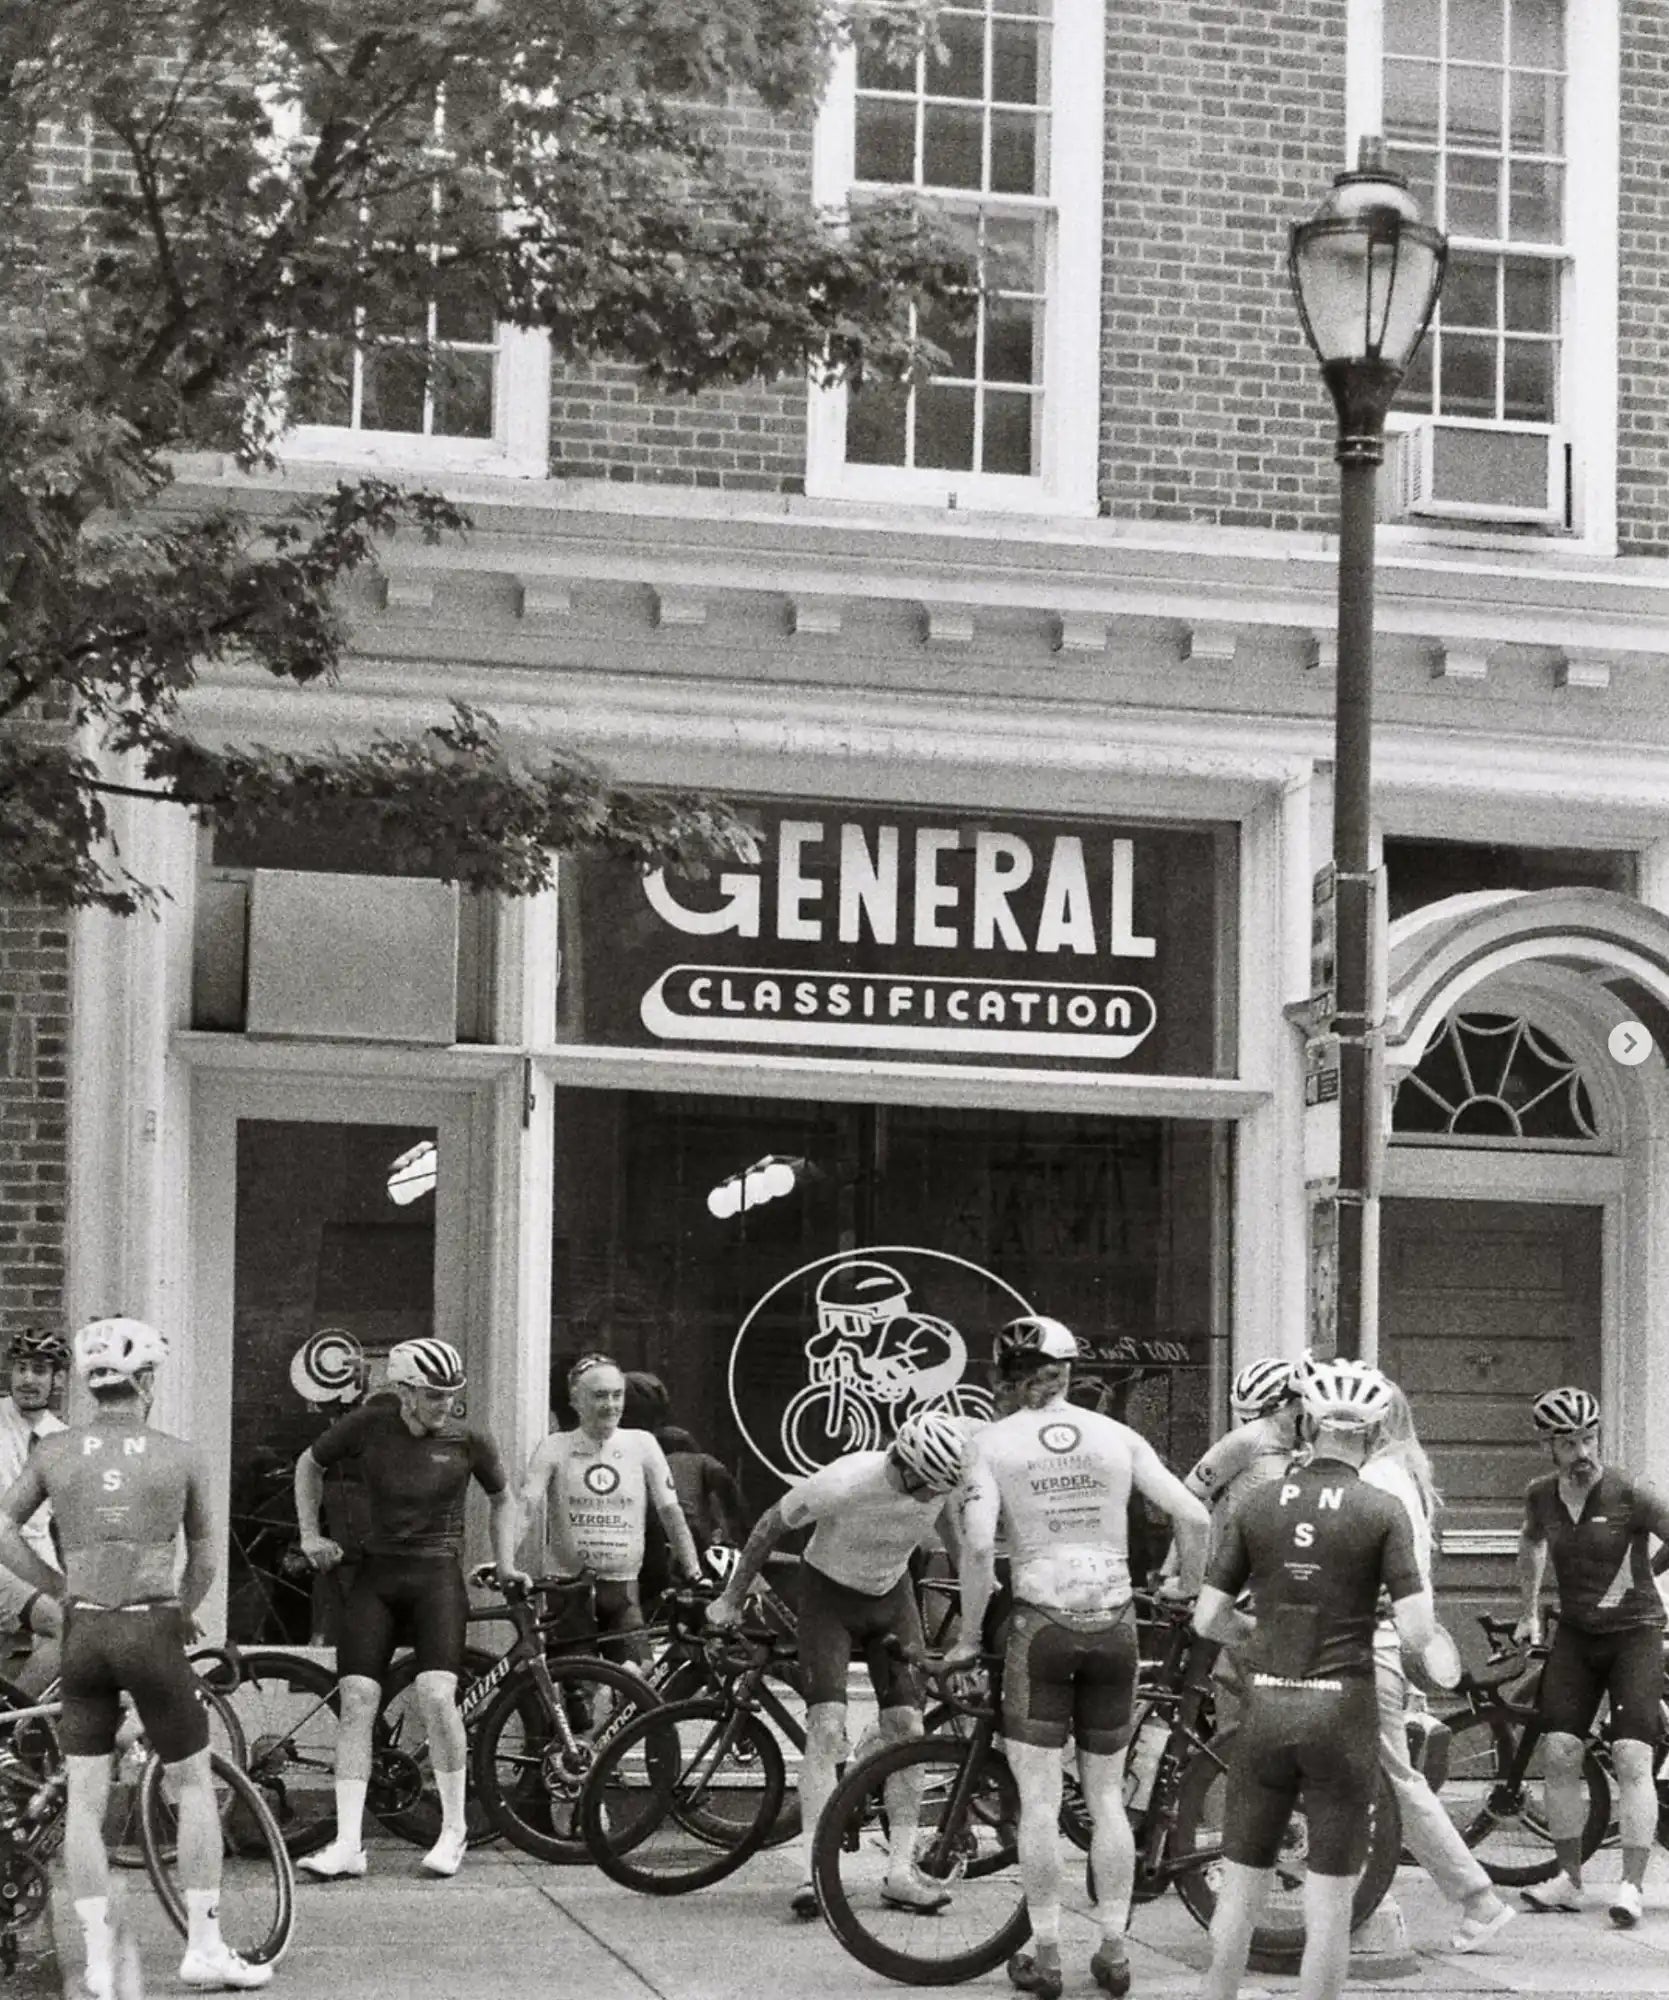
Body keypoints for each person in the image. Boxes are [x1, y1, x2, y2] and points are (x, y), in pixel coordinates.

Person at [0, 1316, 271, 1995]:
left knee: (86, 1802)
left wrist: (56, 1586)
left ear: (89, 1383)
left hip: (86, 1630)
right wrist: (183, 1604)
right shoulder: (178, 1453)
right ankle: (204, 1947)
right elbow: (207, 1553)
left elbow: (2, 1529)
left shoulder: (54, 1454)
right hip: (150, 1628)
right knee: (193, 1786)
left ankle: (97, 1959)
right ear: (145, 1380)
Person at [953, 1315, 1211, 2000]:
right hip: (1114, 1620)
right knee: (1103, 1797)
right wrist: (1185, 1587)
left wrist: (967, 1635)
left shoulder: (991, 1441)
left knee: (1038, 1800)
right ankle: (1113, 1950)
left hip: (1041, 1619)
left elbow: (979, 1549)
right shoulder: (1117, 1436)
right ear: (1065, 1370)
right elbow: (1195, 1516)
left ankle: (1046, 1954)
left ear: (1006, 1377)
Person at [1192, 1359, 1437, 2000]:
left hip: (1268, 1705)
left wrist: (1264, 1637)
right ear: (1376, 1428)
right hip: (1342, 1710)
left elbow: (1208, 1616)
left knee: (1241, 1883)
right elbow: (1416, 1631)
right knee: (1329, 1905)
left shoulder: (1259, 1502)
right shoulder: (1382, 1509)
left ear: (1308, 1419)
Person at [707, 1407, 976, 1920]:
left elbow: (957, 1541)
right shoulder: (845, 1481)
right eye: (928, 1488)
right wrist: (731, 1598)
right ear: (907, 1466)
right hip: (828, 1595)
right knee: (825, 1727)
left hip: (890, 1595)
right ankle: (814, 1870)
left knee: (907, 1727)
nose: (933, 1498)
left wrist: (976, 1607)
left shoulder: (937, 1484)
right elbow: (766, 1527)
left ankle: (900, 1873)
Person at [294, 1337, 527, 1883]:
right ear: (402, 1390)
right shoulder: (369, 1427)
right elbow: (309, 1464)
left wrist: (506, 1559)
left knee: (436, 1693)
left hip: (435, 1576)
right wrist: (310, 1534)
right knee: (357, 1699)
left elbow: (504, 1497)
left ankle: (453, 1830)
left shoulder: (468, 1438)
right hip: (377, 1574)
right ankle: (349, 1843)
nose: (443, 1404)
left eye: (450, 1393)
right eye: (431, 1394)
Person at [1361, 1383, 1515, 1952]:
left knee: (1397, 1778)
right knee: (1390, 1776)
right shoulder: (1404, 1471)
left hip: (1376, 1639)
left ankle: (1479, 1898)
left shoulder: (1378, 1477)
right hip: (1396, 1636)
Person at [1511, 1384, 1669, 1927]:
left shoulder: (1630, 1491)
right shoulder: (1540, 1496)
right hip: (1577, 1636)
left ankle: (1629, 1885)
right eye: (1570, 1443)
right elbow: (1530, 1543)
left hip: (1636, 1633)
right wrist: (1528, 1610)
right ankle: (1570, 1879)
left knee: (1631, 1754)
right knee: (1557, 1751)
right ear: (1547, 1448)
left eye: (1589, 1438)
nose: (1583, 1453)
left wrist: (1641, 1576)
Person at [516, 1354, 701, 1664]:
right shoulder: (555, 1446)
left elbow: (671, 1511)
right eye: (600, 1396)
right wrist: (504, 1561)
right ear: (576, 1400)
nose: (611, 1405)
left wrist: (693, 1571)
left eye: (617, 1395)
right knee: (576, 1685)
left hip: (623, 1587)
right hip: (568, 1588)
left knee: (637, 1676)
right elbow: (525, 1508)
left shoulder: (642, 1444)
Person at [0, 1327, 69, 1693]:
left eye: (40, 1370)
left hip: (37, 1563)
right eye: (21, 1368)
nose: (28, 1379)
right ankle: (12, 1726)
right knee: (65, 1626)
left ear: (56, 1378)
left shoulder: (62, 1439)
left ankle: (20, 1725)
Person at [638, 1425, 751, 1607]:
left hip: (649, 1541)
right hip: (692, 1537)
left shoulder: (643, 1466)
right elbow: (729, 1490)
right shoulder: (701, 1461)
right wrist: (743, 1532)